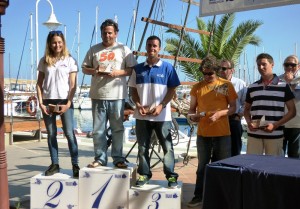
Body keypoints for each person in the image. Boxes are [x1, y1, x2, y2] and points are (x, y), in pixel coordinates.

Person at [81, 19, 137, 168]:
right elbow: (84, 68)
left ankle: (118, 158)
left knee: (117, 129)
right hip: (98, 95)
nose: (107, 35)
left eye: (110, 32)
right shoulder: (94, 49)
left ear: (116, 33)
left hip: (117, 96)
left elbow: (132, 69)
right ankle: (100, 158)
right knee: (98, 130)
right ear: (101, 34)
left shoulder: (124, 49)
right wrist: (95, 71)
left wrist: (118, 72)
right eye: (104, 33)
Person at [128, 35, 180, 188]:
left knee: (167, 147)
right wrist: (138, 105)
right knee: (142, 147)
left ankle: (171, 176)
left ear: (159, 48)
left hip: (162, 116)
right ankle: (144, 174)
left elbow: (172, 89)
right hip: (142, 116)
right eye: (149, 45)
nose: (152, 48)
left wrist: (161, 106)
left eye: (155, 46)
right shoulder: (137, 69)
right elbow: (133, 90)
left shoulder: (168, 68)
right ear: (146, 47)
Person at [187, 55, 237, 207]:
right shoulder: (197, 87)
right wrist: (193, 117)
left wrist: (220, 114)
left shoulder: (225, 85)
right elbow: (191, 110)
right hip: (203, 134)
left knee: (222, 167)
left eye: (210, 73)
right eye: (204, 73)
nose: (207, 76)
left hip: (222, 134)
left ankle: (221, 198)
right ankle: (198, 196)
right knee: (202, 167)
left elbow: (234, 107)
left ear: (217, 71)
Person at [36, 30, 80, 178]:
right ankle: (55, 164)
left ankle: (75, 164)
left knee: (69, 133)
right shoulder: (44, 61)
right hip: (48, 102)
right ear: (50, 43)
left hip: (64, 101)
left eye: (60, 42)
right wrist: (41, 103)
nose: (57, 45)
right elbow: (39, 84)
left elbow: (73, 84)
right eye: (54, 42)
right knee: (51, 134)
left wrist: (68, 103)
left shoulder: (70, 60)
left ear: (63, 43)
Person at [244, 53, 296, 156]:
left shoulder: (283, 86)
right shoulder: (252, 87)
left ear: (272, 64)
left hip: (275, 134)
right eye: (258, 65)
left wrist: (275, 125)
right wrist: (249, 122)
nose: (260, 67)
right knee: (251, 166)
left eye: (264, 64)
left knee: (273, 168)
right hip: (254, 135)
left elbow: (292, 112)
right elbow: (246, 110)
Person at [218, 59, 247, 156]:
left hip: (234, 119)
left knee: (235, 149)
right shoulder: (215, 84)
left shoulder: (240, 84)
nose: (221, 70)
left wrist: (239, 115)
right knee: (218, 150)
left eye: (224, 68)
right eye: (219, 68)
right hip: (219, 119)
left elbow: (245, 102)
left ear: (232, 70)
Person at [279, 55, 300, 158]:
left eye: (293, 65)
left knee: (295, 158)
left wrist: (289, 83)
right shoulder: (277, 80)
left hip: (297, 125)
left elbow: (295, 100)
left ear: (298, 66)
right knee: (278, 156)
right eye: (287, 64)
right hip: (280, 123)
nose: (290, 67)